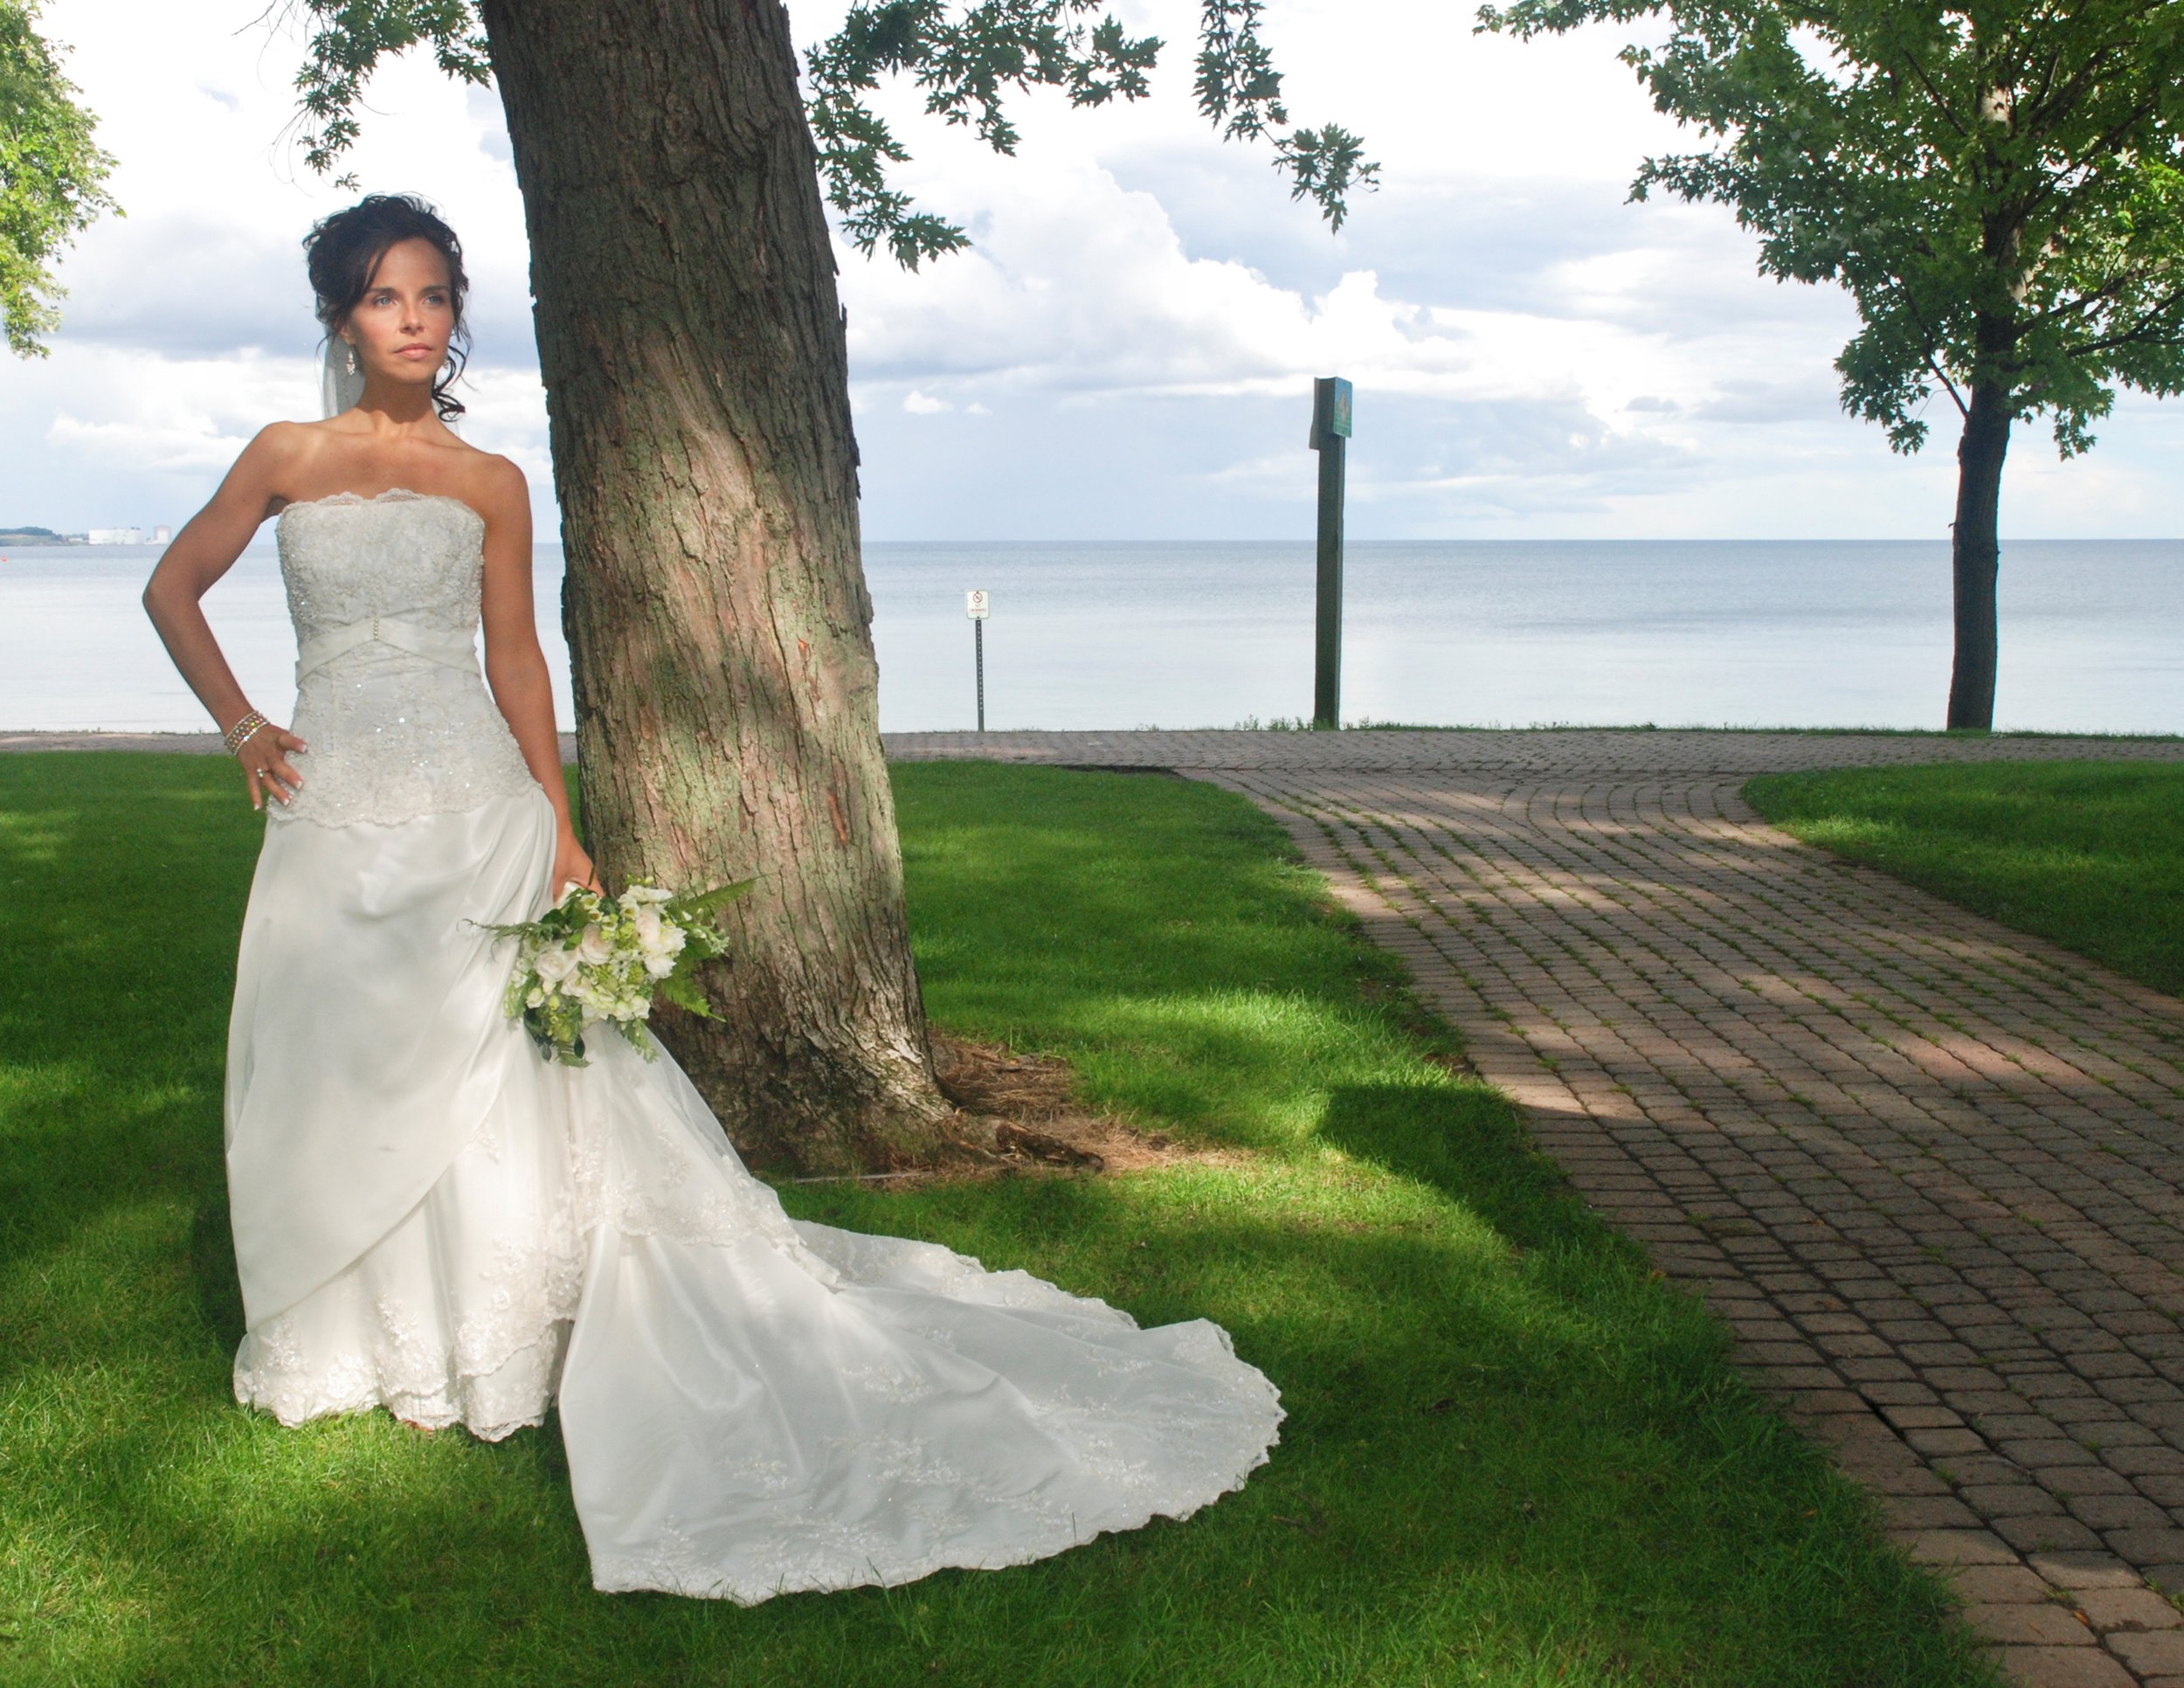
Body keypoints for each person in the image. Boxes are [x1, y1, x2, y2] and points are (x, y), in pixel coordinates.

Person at [140, 193, 1280, 1602]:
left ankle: (485, 1341)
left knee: (492, 1078)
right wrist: (247, 727)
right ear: (342, 315)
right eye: (388, 297)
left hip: (470, 801)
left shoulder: (491, 478)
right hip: (333, 806)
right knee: (336, 1056)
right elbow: (173, 587)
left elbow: (515, 657)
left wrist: (556, 825)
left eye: (435, 295)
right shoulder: (284, 456)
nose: (417, 320)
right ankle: (363, 1337)